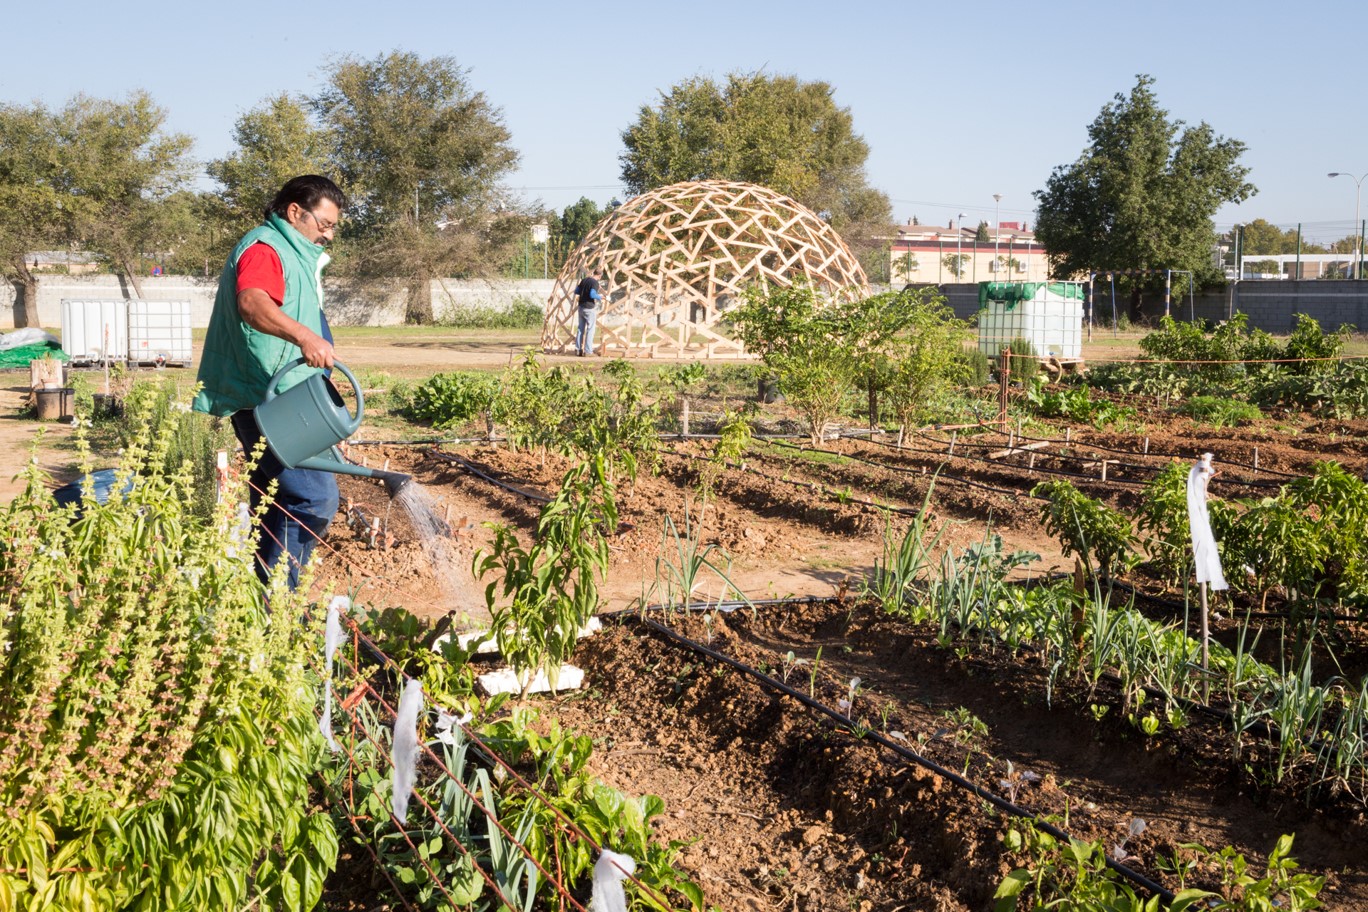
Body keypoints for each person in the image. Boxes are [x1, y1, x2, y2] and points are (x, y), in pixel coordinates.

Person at [192, 175, 347, 589]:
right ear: (295, 212)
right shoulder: (266, 248)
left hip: (283, 394)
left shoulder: (293, 252)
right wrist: (305, 337)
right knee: (314, 497)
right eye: (325, 224)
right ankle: (281, 601)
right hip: (268, 398)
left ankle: (264, 605)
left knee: (273, 501)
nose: (329, 235)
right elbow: (252, 302)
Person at [572, 269, 603, 356]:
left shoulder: (584, 280)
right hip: (589, 308)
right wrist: (601, 297)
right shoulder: (595, 283)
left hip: (581, 307)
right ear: (600, 276)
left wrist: (584, 292)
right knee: (590, 329)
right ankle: (588, 351)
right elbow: (592, 295)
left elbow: (576, 291)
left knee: (580, 329)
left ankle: (578, 350)